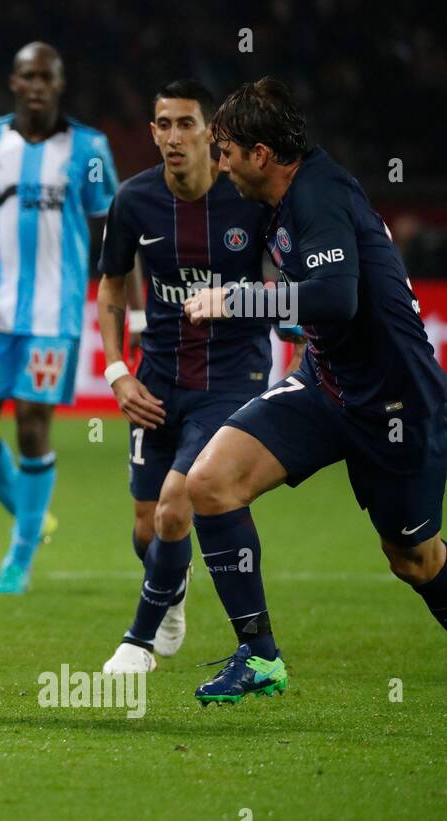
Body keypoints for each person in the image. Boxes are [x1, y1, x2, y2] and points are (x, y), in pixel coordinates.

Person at [183, 78, 447, 704]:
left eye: (225, 150)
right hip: (327, 387)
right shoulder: (278, 201)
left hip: (396, 404)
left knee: (414, 559)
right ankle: (260, 656)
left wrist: (238, 300)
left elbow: (335, 298)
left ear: (261, 154)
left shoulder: (320, 195)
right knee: (209, 483)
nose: (220, 163)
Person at [96, 79, 291, 674]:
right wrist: (116, 373)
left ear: (212, 132)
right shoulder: (133, 200)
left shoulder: (248, 200)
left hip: (233, 378)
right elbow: (110, 286)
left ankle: (138, 641)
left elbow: (289, 281)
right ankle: (172, 586)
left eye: (186, 124)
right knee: (146, 525)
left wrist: (290, 327)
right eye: (164, 125)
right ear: (152, 132)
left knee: (176, 507)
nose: (174, 137)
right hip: (157, 378)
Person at [0, 42, 118, 594]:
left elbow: (113, 232)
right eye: (28, 76)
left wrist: (130, 310)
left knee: (30, 426)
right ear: (14, 82)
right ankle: (32, 512)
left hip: (55, 313)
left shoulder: (89, 148)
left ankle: (18, 561)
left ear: (59, 82)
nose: (37, 84)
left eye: (47, 75)